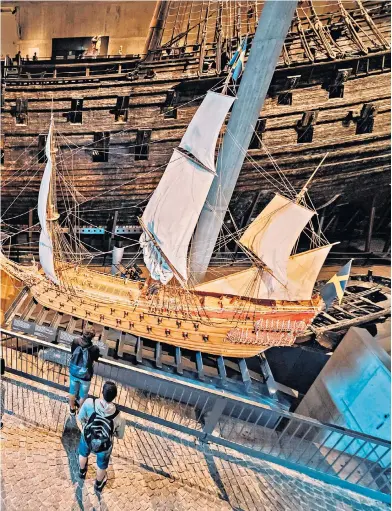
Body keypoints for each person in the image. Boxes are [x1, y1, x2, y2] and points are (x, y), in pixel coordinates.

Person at [77, 381, 125, 492]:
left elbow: (80, 418)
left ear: (102, 392)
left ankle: (82, 472)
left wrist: (86, 424)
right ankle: (98, 484)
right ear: (115, 397)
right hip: (104, 445)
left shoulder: (90, 403)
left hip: (87, 437)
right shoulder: (119, 417)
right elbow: (120, 435)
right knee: (101, 464)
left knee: (83, 453)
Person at [69, 326, 100, 415]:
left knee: (72, 391)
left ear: (83, 333)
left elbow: (72, 352)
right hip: (86, 375)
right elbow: (95, 359)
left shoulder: (75, 341)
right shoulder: (94, 348)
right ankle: (80, 410)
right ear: (92, 337)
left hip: (74, 371)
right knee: (83, 394)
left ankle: (72, 410)